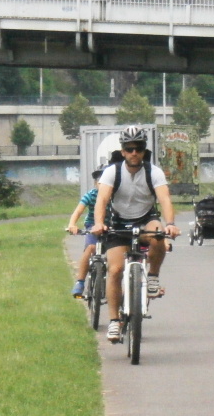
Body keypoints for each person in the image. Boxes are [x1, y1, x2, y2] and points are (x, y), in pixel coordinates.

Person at [90, 125, 181, 343]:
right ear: (122, 151)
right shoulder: (112, 172)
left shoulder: (154, 172)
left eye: (138, 148)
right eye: (129, 149)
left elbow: (165, 199)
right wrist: (99, 223)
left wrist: (170, 223)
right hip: (118, 222)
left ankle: (152, 277)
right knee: (115, 270)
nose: (134, 153)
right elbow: (102, 200)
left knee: (159, 234)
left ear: (144, 150)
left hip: (145, 219)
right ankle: (114, 322)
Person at [67, 167, 106, 298]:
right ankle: (80, 282)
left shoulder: (116, 196)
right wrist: (72, 225)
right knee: (90, 248)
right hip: (92, 226)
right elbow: (78, 211)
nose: (102, 184)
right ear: (96, 183)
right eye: (100, 181)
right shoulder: (91, 195)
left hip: (111, 227)